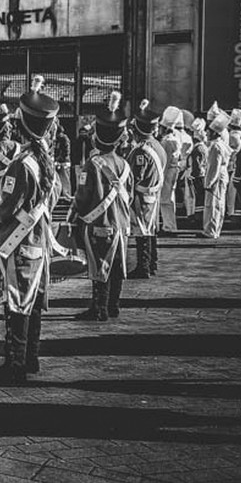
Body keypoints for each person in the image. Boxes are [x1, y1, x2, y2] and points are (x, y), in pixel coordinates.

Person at [0, 77, 60, 385]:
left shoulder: (22, 164)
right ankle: (31, 359)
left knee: (16, 303)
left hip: (21, 243)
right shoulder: (45, 160)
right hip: (39, 241)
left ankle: (14, 365)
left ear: (22, 124)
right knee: (33, 302)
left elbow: (7, 207)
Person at [73, 92, 132, 321]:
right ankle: (114, 305)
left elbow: (83, 196)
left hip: (101, 224)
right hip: (121, 224)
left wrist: (76, 212)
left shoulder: (93, 164)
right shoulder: (125, 164)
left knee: (100, 269)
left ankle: (99, 309)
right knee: (117, 267)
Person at [126, 101, 164, 279]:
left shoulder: (141, 150)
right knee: (151, 229)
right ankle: (152, 263)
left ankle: (143, 266)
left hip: (142, 194)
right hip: (153, 193)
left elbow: (135, 175)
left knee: (142, 231)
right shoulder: (157, 145)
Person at [202, 112, 232, 238]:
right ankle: (215, 229)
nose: (206, 134)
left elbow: (214, 167)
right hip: (221, 175)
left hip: (217, 177)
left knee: (213, 204)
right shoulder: (221, 145)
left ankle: (210, 230)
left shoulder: (215, 147)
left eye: (208, 132)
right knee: (218, 203)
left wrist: (208, 182)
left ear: (214, 133)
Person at [157, 106, 184, 236]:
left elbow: (165, 160)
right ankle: (170, 225)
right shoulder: (175, 139)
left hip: (167, 171)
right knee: (169, 199)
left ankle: (169, 226)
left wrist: (160, 175)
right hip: (174, 170)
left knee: (165, 200)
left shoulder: (166, 142)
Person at [187, 118, 208, 224]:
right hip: (203, 174)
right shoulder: (204, 147)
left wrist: (194, 176)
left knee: (198, 196)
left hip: (199, 175)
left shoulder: (197, 149)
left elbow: (197, 165)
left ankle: (198, 217)